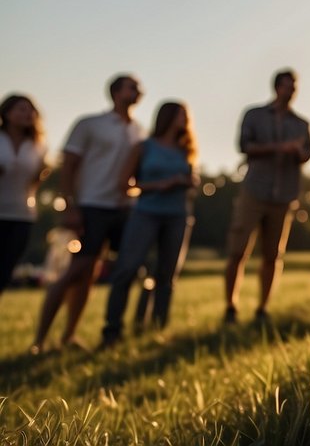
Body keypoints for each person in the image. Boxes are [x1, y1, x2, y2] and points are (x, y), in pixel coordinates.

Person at [32, 75, 143, 354]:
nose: (138, 91)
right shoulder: (89, 124)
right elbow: (68, 166)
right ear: (116, 92)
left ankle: (69, 336)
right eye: (132, 87)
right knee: (76, 270)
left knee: (91, 273)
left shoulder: (139, 131)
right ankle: (39, 340)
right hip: (91, 205)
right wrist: (70, 206)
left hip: (124, 209)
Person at [101, 101, 198, 346]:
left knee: (167, 274)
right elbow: (125, 185)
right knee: (127, 268)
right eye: (181, 115)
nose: (185, 120)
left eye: (186, 116)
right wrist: (159, 185)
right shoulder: (144, 147)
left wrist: (189, 181)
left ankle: (156, 329)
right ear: (167, 117)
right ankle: (112, 330)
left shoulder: (185, 150)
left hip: (177, 215)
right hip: (146, 213)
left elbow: (192, 179)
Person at [224, 69, 310, 324]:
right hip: (255, 191)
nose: (291, 91)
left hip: (284, 195)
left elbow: (308, 154)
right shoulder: (254, 115)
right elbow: (244, 146)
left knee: (273, 255)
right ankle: (231, 307)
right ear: (276, 87)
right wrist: (279, 147)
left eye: (294, 87)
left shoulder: (301, 124)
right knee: (238, 250)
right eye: (287, 86)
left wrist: (298, 152)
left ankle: (263, 309)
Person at [0, 94, 50, 299]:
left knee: (5, 270)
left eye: (31, 110)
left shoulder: (38, 146)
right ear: (7, 113)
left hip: (22, 214)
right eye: (22, 109)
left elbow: (36, 179)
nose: (28, 113)